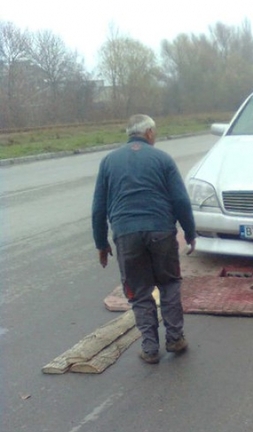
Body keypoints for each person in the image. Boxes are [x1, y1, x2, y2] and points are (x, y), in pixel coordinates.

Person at [92, 114, 197, 364]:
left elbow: (98, 208)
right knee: (169, 284)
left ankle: (150, 349)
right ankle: (175, 339)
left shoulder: (108, 162)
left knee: (139, 291)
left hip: (126, 234)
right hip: (161, 231)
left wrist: (101, 244)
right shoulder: (162, 159)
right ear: (149, 133)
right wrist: (190, 233)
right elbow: (181, 200)